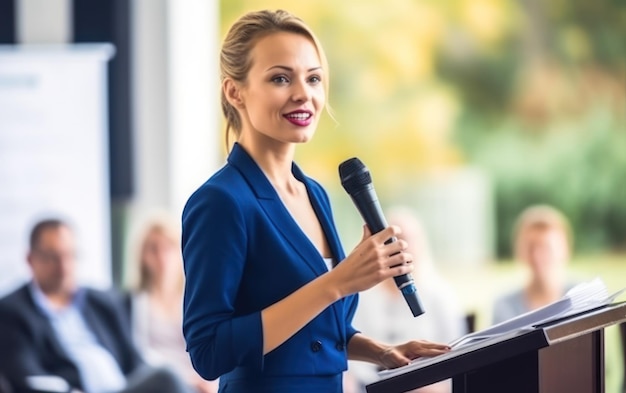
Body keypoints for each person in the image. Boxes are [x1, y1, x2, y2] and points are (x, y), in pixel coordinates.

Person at [181, 9, 451, 393]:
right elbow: (208, 352)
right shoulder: (220, 202)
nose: (303, 94)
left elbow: (314, 330)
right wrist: (338, 282)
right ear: (234, 91)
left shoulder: (314, 193)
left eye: (314, 79)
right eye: (280, 78)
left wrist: (379, 350)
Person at [0, 218, 190, 393]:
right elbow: (27, 377)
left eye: (70, 255)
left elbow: (134, 360)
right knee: (167, 378)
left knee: (171, 378)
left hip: (125, 387)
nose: (64, 267)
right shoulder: (13, 312)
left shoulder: (102, 302)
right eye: (52, 257)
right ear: (31, 259)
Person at [348, 206, 467, 393]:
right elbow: (354, 361)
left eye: (406, 241)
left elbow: (455, 351)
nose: (399, 249)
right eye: (392, 242)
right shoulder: (362, 297)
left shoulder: (440, 295)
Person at [125, 213, 218, 393]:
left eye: (168, 248)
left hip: (203, 381)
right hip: (162, 381)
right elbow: (140, 353)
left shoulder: (193, 298)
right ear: (142, 256)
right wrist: (187, 380)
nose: (161, 257)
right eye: (153, 249)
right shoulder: (133, 302)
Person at [492, 205, 576, 325]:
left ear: (564, 250)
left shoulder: (582, 299)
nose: (537, 256)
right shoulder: (504, 306)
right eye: (531, 247)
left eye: (546, 247)